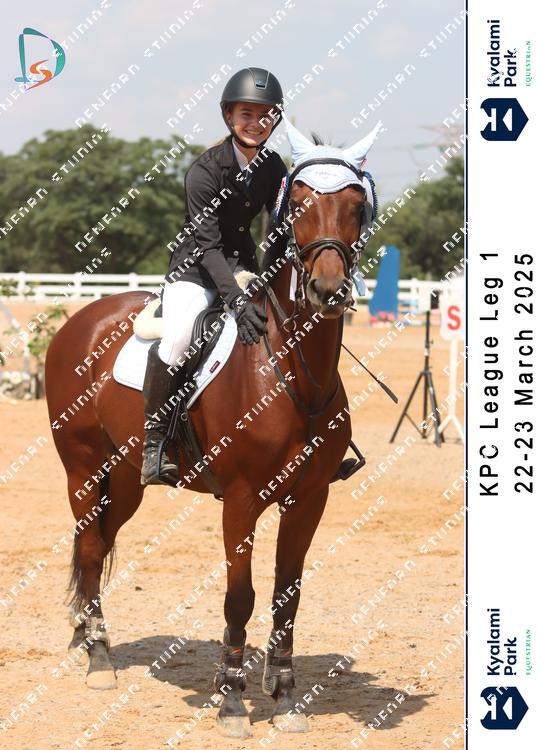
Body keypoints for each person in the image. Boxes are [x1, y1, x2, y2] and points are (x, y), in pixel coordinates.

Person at [141, 67, 288, 486]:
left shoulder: (273, 167)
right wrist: (237, 301)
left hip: (243, 268)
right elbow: (207, 247)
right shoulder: (205, 171)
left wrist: (272, 276)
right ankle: (155, 443)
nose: (255, 123)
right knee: (179, 338)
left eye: (264, 115)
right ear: (228, 116)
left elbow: (280, 229)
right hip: (195, 272)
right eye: (246, 114)